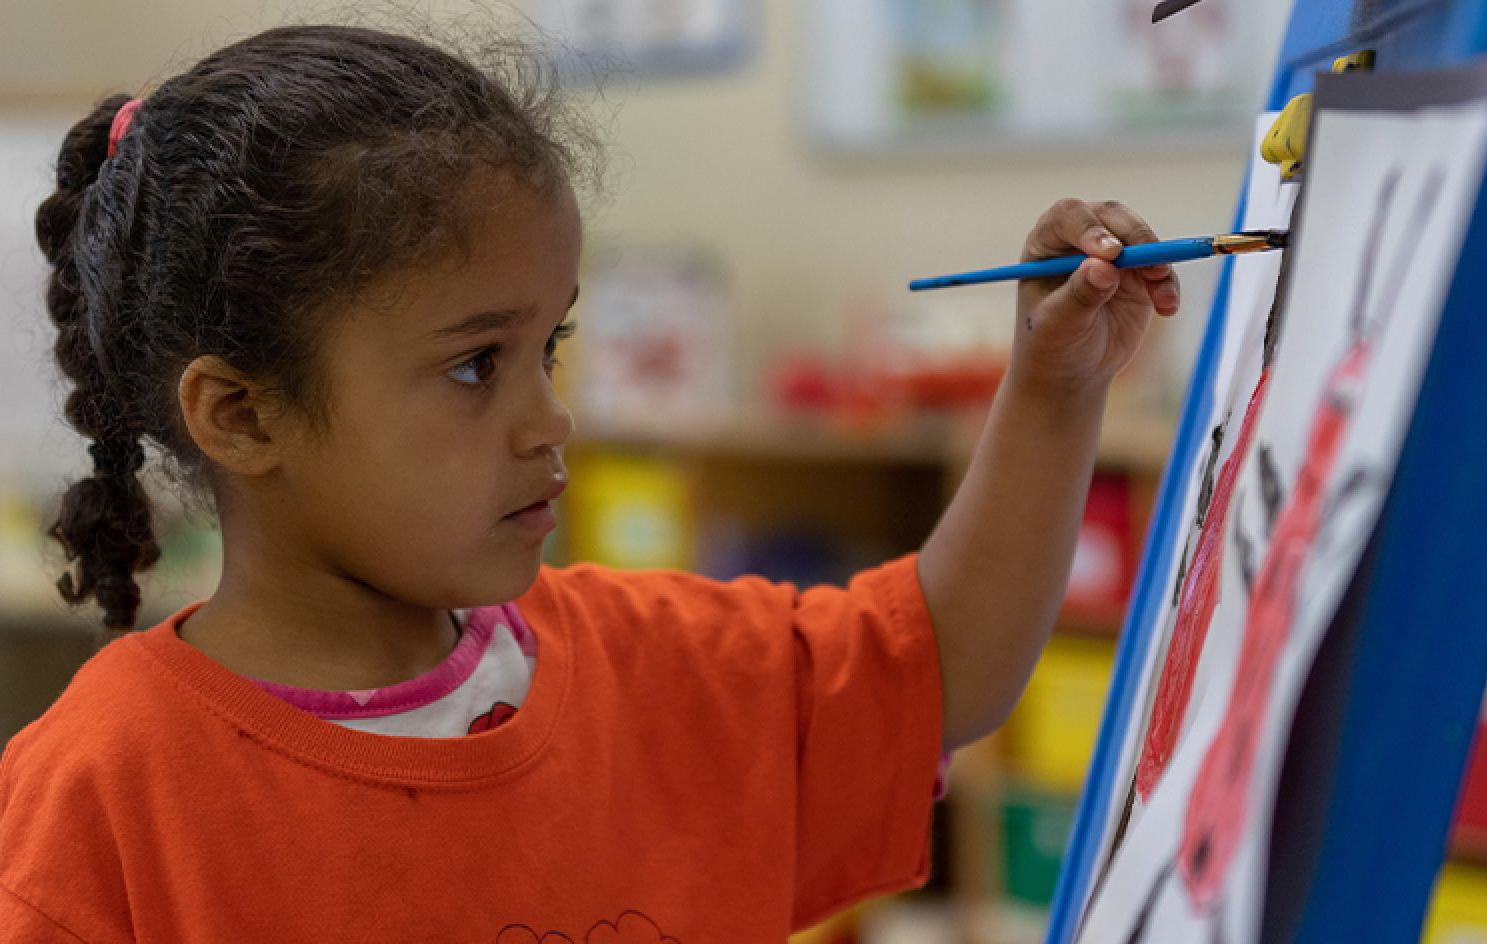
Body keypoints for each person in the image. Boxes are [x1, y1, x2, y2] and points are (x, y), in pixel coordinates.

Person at [0, 21, 1180, 943]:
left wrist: (1056, 385)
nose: (549, 419)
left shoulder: (650, 664)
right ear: (243, 413)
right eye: (474, 365)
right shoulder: (102, 795)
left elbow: (940, 666)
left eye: (547, 347)